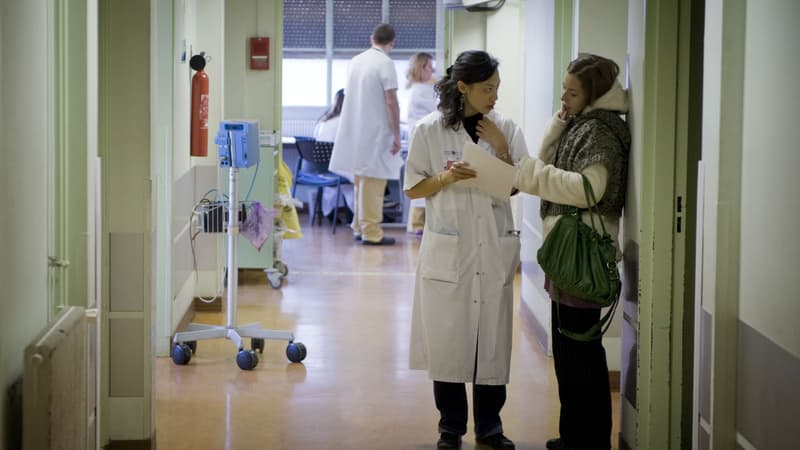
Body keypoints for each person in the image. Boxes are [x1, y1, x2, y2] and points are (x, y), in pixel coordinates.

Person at [404, 50, 526, 450]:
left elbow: (515, 185)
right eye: (486, 88)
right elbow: (413, 187)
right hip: (450, 248)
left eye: (496, 89)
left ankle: (490, 426)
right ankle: (450, 427)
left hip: (491, 246)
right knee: (449, 339)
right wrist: (445, 177)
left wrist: (501, 149)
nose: (493, 96)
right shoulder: (429, 130)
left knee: (491, 340)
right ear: (463, 87)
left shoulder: (504, 127)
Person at [513, 54, 631, 450]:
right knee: (568, 351)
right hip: (568, 249)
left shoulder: (599, 132)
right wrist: (559, 123)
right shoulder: (580, 124)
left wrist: (530, 174)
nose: (564, 95)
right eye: (563, 87)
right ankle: (574, 435)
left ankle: (587, 439)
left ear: (594, 94)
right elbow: (549, 159)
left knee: (579, 353)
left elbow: (588, 189)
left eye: (573, 91)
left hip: (580, 252)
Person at [330, 23, 402, 246]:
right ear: (393, 43)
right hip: (377, 132)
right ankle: (372, 232)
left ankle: (359, 227)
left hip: (357, 131)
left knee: (361, 181)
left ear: (372, 38)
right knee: (374, 182)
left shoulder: (356, 61)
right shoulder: (385, 63)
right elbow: (391, 101)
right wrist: (397, 134)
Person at [404, 52, 437, 235]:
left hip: (424, 140)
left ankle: (418, 224)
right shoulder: (420, 90)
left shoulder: (423, 87)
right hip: (422, 141)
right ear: (419, 68)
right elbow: (437, 109)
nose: (431, 70)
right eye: (428, 66)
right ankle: (417, 224)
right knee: (421, 180)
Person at [313, 88, 354, 223]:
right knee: (360, 177)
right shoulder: (347, 122)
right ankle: (354, 214)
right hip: (337, 168)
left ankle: (329, 211)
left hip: (321, 168)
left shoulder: (323, 122)